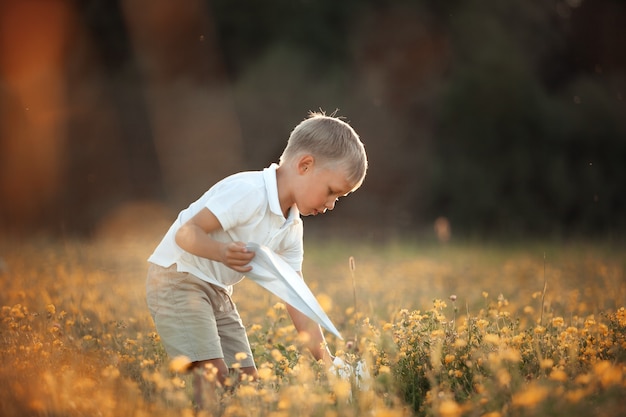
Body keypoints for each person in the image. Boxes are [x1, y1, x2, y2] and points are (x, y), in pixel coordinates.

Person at [146, 111, 368, 407]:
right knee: (213, 377)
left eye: (338, 199)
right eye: (331, 192)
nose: (330, 205)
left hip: (218, 292)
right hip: (176, 278)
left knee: (246, 384)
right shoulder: (248, 192)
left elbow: (296, 298)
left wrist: (328, 362)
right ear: (305, 165)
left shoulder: (291, 227)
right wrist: (222, 253)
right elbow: (185, 234)